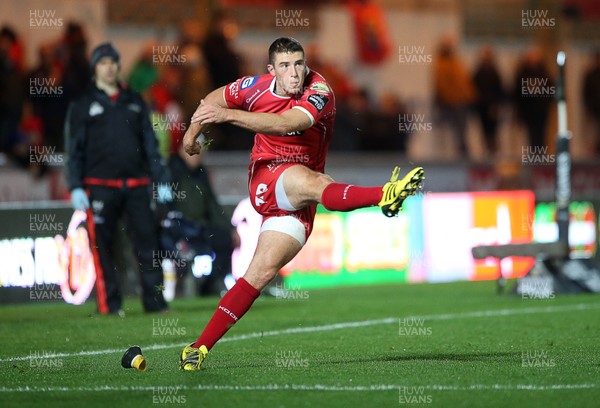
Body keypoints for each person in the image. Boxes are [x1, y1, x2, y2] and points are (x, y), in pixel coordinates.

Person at [177, 37, 424, 370]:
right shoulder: (254, 87)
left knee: (258, 274)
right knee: (316, 182)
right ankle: (385, 195)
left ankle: (198, 348)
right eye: (285, 66)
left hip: (298, 201)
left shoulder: (319, 91)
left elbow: (287, 123)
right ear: (272, 70)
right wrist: (192, 135)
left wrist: (227, 116)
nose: (294, 73)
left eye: (298, 64)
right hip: (267, 178)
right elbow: (210, 99)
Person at [64, 42, 171, 316]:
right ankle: (110, 306)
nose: (109, 67)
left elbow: (150, 144)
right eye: (103, 62)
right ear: (95, 68)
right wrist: (75, 185)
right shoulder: (83, 104)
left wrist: (161, 178)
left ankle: (155, 304)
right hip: (99, 187)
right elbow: (73, 148)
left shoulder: (134, 101)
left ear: (119, 66)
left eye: (113, 61)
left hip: (137, 185)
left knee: (149, 245)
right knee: (102, 249)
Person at [168, 137, 240, 296]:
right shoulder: (170, 170)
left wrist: (230, 229)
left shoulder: (201, 173)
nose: (197, 155)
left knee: (225, 240)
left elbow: (212, 205)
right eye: (194, 150)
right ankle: (179, 290)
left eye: (200, 151)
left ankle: (209, 285)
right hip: (176, 228)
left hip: (200, 227)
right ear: (183, 148)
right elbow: (162, 201)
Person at [433, 34, 476, 156]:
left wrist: (470, 95)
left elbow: (464, 80)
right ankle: (460, 154)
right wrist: (451, 98)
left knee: (463, 130)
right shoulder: (441, 64)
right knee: (457, 130)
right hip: (454, 102)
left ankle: (463, 152)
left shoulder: (455, 61)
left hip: (463, 101)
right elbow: (442, 84)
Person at [472, 45, 505, 154]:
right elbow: (473, 88)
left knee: (493, 130)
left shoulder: (494, 72)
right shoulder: (479, 71)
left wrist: (496, 104)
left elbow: (499, 89)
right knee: (484, 130)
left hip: (492, 106)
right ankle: (487, 150)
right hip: (482, 106)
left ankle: (493, 150)